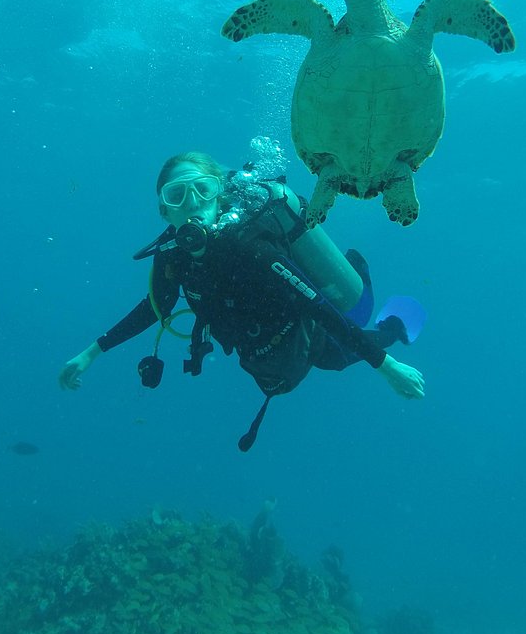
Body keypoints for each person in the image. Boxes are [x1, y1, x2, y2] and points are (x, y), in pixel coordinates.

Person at [58, 151, 426, 450]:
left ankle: (392, 325)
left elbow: (316, 304)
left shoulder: (249, 245)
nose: (191, 203)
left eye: (202, 189)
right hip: (262, 349)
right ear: (164, 211)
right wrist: (91, 352)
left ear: (219, 193)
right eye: (176, 196)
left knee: (339, 354)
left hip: (311, 327)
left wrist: (388, 367)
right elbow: (156, 307)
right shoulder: (172, 255)